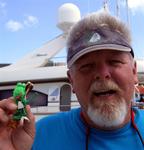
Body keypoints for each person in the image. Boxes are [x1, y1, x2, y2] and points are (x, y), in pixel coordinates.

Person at [0, 11, 144, 150]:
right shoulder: (34, 137)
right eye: (87, 66)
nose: (102, 74)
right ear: (71, 80)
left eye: (114, 61)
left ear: (133, 71)